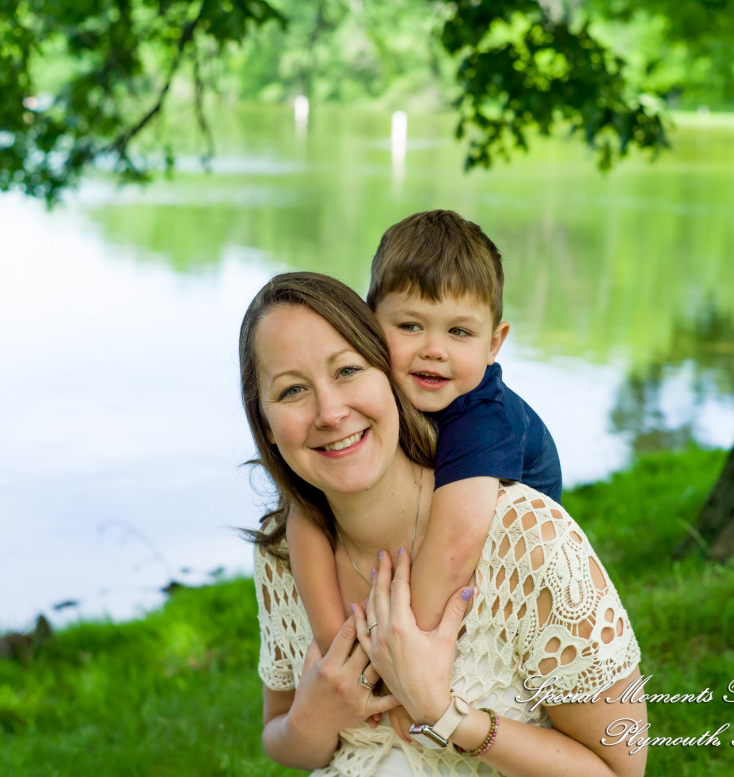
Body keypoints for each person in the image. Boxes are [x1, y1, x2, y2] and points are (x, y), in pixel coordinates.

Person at [241, 271, 646, 776]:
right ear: (267, 425)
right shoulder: (282, 553)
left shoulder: (529, 541)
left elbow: (620, 772)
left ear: (388, 371)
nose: (329, 411)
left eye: (347, 371)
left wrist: (445, 715)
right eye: (293, 390)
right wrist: (314, 715)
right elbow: (285, 743)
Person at [288, 211, 562, 681]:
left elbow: (455, 547)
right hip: (421, 537)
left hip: (503, 574)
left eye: (459, 332)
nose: (434, 349)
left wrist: (396, 662)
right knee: (303, 504)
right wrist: (343, 647)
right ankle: (339, 655)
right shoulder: (381, 390)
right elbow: (306, 507)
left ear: (494, 343)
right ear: (369, 326)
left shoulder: (480, 415)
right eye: (411, 326)